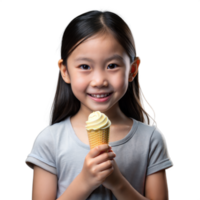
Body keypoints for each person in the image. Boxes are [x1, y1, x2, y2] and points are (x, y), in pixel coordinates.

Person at [23, 7, 175, 200]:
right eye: (85, 66)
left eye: (112, 66)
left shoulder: (151, 140)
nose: (99, 81)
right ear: (65, 70)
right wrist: (85, 181)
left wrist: (118, 183)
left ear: (133, 69)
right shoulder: (50, 141)